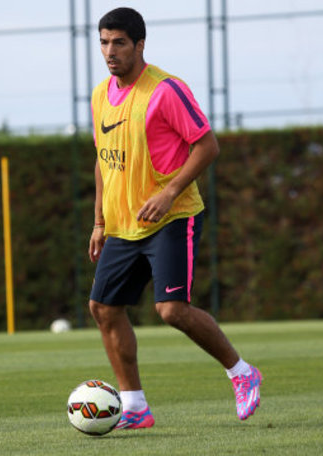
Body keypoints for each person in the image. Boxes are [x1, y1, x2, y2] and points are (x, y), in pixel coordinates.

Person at [88, 7, 262, 430]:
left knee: (171, 309)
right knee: (103, 308)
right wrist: (99, 222)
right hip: (123, 225)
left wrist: (168, 194)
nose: (110, 52)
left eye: (119, 43)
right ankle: (134, 407)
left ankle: (242, 373)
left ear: (140, 45)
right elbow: (103, 162)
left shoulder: (166, 90)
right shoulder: (99, 94)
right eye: (104, 43)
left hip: (172, 217)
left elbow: (207, 146)